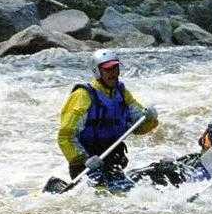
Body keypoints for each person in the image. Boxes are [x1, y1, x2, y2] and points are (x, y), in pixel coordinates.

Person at [56, 49, 158, 191]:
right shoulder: (82, 95)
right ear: (97, 71)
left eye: (115, 68)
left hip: (112, 160)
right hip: (86, 165)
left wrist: (150, 118)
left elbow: (139, 126)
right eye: (108, 69)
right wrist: (83, 160)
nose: (113, 73)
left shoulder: (121, 93)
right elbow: (65, 136)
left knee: (128, 192)